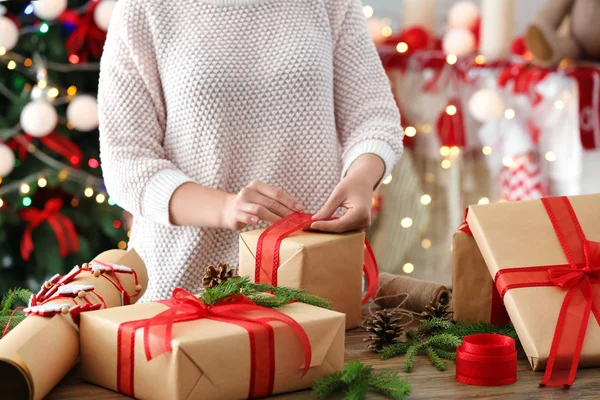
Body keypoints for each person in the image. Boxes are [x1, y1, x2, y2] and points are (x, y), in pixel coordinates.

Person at [99, 0, 404, 302]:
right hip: (187, 295)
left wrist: (363, 178)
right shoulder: (143, 9)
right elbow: (127, 161)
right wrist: (225, 208)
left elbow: (372, 114)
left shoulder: (330, 4)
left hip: (314, 286)